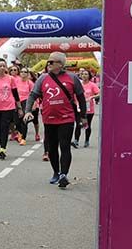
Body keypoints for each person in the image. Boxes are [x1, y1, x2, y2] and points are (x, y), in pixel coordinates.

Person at [25, 52, 86, 189]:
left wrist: (83, 117)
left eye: (52, 62)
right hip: (49, 119)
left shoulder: (72, 77)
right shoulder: (43, 78)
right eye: (48, 61)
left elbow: (81, 98)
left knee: (64, 146)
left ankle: (64, 174)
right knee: (52, 148)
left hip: (66, 118)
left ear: (60, 64)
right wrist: (28, 111)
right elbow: (32, 95)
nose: (49, 64)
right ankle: (56, 172)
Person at [74, 68, 100, 148]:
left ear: (89, 76)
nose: (84, 76)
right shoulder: (78, 84)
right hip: (79, 107)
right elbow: (73, 94)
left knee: (87, 125)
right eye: (83, 74)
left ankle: (87, 140)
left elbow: (99, 93)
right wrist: (75, 102)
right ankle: (76, 141)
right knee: (78, 124)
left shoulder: (92, 85)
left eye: (86, 74)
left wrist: (92, 97)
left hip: (89, 108)